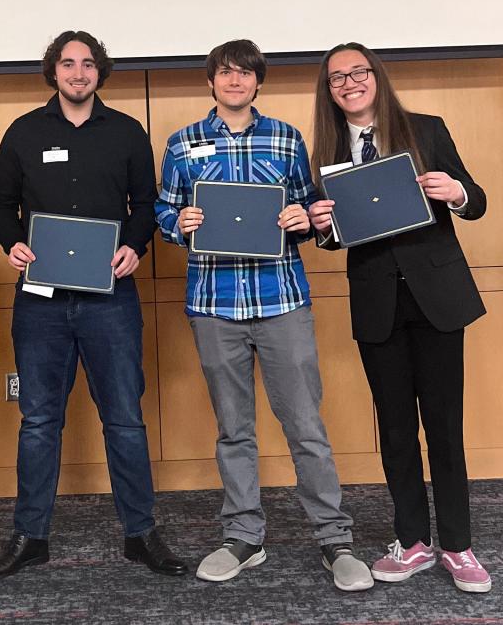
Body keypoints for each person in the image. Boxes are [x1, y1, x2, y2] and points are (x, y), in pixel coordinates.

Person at [155, 39, 373, 592]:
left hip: (281, 301)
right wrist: (177, 220)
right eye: (225, 73)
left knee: (305, 425)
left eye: (245, 74)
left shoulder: (287, 137)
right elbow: (164, 206)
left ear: (258, 82)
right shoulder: (183, 143)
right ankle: (243, 537)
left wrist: (303, 217)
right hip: (213, 304)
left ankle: (334, 539)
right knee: (234, 429)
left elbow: (309, 206)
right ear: (211, 82)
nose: (234, 81)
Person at [0, 30, 186, 579]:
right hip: (40, 302)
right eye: (67, 64)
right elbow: (2, 205)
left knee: (124, 419)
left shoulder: (126, 132)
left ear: (100, 72)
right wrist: (11, 243)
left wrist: (134, 246)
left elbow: (145, 203)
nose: (77, 73)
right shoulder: (23, 132)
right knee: (39, 420)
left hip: (110, 298)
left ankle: (140, 534)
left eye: (87, 64)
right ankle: (30, 536)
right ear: (53, 71)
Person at [308, 42, 490, 593]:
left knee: (444, 427)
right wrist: (320, 224)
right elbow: (336, 239)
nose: (350, 83)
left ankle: (457, 545)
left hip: (436, 297)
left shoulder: (426, 129)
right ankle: (412, 541)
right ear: (329, 91)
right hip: (377, 301)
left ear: (377, 78)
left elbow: (476, 199)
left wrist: (457, 193)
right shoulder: (327, 150)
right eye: (338, 77)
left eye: (359, 72)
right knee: (394, 428)